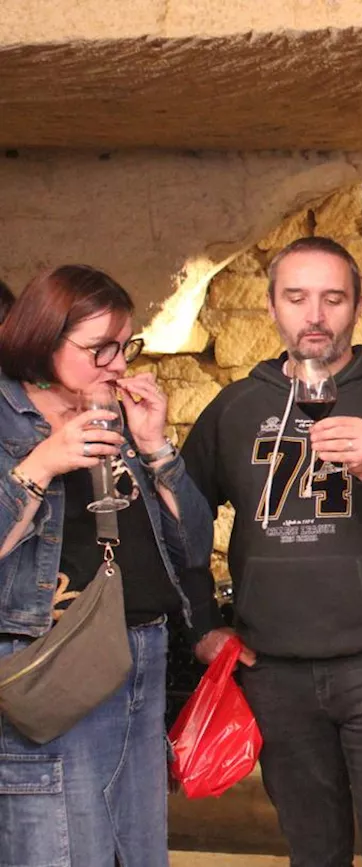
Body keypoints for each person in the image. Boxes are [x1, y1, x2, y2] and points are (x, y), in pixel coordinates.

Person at [181, 236, 362, 867]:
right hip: (274, 670)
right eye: (297, 297)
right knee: (313, 853)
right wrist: (202, 626)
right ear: (272, 306)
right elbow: (179, 526)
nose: (315, 315)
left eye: (333, 298)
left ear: (357, 307)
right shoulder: (235, 407)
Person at [0, 265, 213, 866]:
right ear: (43, 338)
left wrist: (156, 447)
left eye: (125, 346)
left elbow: (193, 547)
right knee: (63, 850)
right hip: (54, 665)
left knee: (136, 853)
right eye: (100, 350)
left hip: (141, 659)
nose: (118, 365)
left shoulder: (115, 419)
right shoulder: (7, 421)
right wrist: (40, 465)